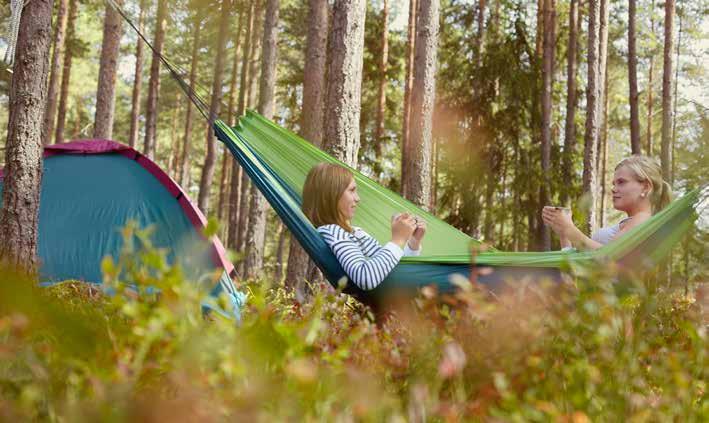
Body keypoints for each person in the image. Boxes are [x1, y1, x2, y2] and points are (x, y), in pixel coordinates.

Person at [302, 163, 427, 291]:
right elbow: (366, 278)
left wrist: (413, 242)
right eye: (351, 190)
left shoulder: (356, 233)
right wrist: (398, 239)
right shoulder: (332, 231)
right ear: (330, 195)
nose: (358, 198)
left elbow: (392, 269)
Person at [542, 155, 672, 250]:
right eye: (613, 184)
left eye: (621, 182)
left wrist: (569, 229)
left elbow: (609, 259)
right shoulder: (632, 222)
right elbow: (580, 266)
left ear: (645, 187)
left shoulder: (643, 220)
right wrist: (564, 234)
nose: (613, 189)